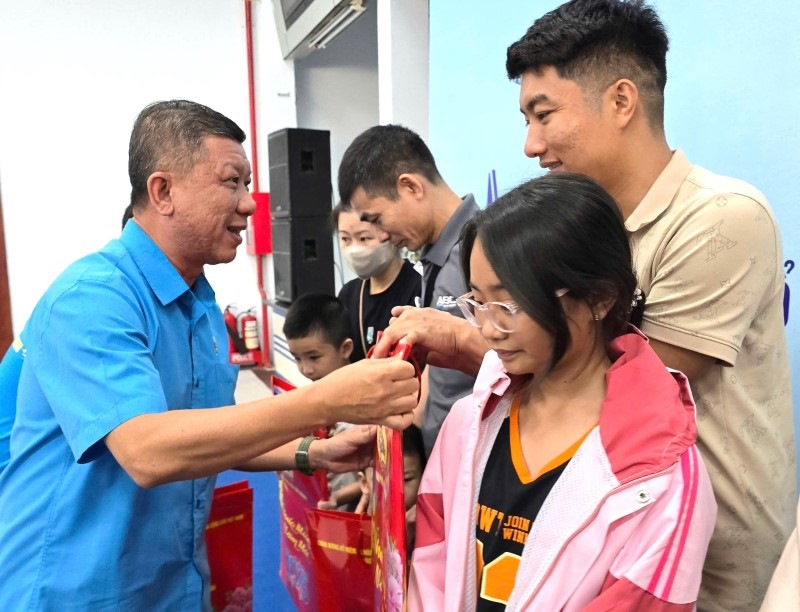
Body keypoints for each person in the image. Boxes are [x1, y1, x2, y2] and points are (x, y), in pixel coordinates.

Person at [379, 1, 795, 608]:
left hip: (702, 567)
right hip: (578, 553)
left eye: (543, 115)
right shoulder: (578, 227)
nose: (530, 144)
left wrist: (464, 338)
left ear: (621, 101)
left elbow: (611, 377)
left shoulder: (720, 218)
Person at [0, 99, 418, 610]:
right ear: (164, 191)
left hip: (171, 584)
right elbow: (149, 450)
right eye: (231, 182)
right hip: (74, 593)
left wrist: (309, 453)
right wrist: (326, 402)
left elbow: (204, 431)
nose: (248, 204)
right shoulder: (93, 298)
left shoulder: (197, 304)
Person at [408, 173, 716, 610]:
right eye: (476, 301)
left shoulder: (661, 478)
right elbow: (432, 570)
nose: (487, 328)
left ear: (600, 298)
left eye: (510, 304)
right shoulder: (468, 424)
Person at [338, 124, 478, 457]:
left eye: (376, 218)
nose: (381, 236)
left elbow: (525, 366)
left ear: (411, 186)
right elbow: (441, 374)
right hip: (442, 458)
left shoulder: (485, 251)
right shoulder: (434, 256)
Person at [284, 292, 362, 511]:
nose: (306, 369)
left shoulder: (363, 406)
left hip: (351, 515)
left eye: (314, 357)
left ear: (345, 348)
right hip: (316, 506)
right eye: (297, 358)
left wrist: (339, 497)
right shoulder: (310, 397)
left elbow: (376, 474)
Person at [333, 202, 421, 362]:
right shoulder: (348, 294)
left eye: (364, 238)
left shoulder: (420, 288)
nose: (354, 249)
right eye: (345, 238)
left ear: (391, 234)